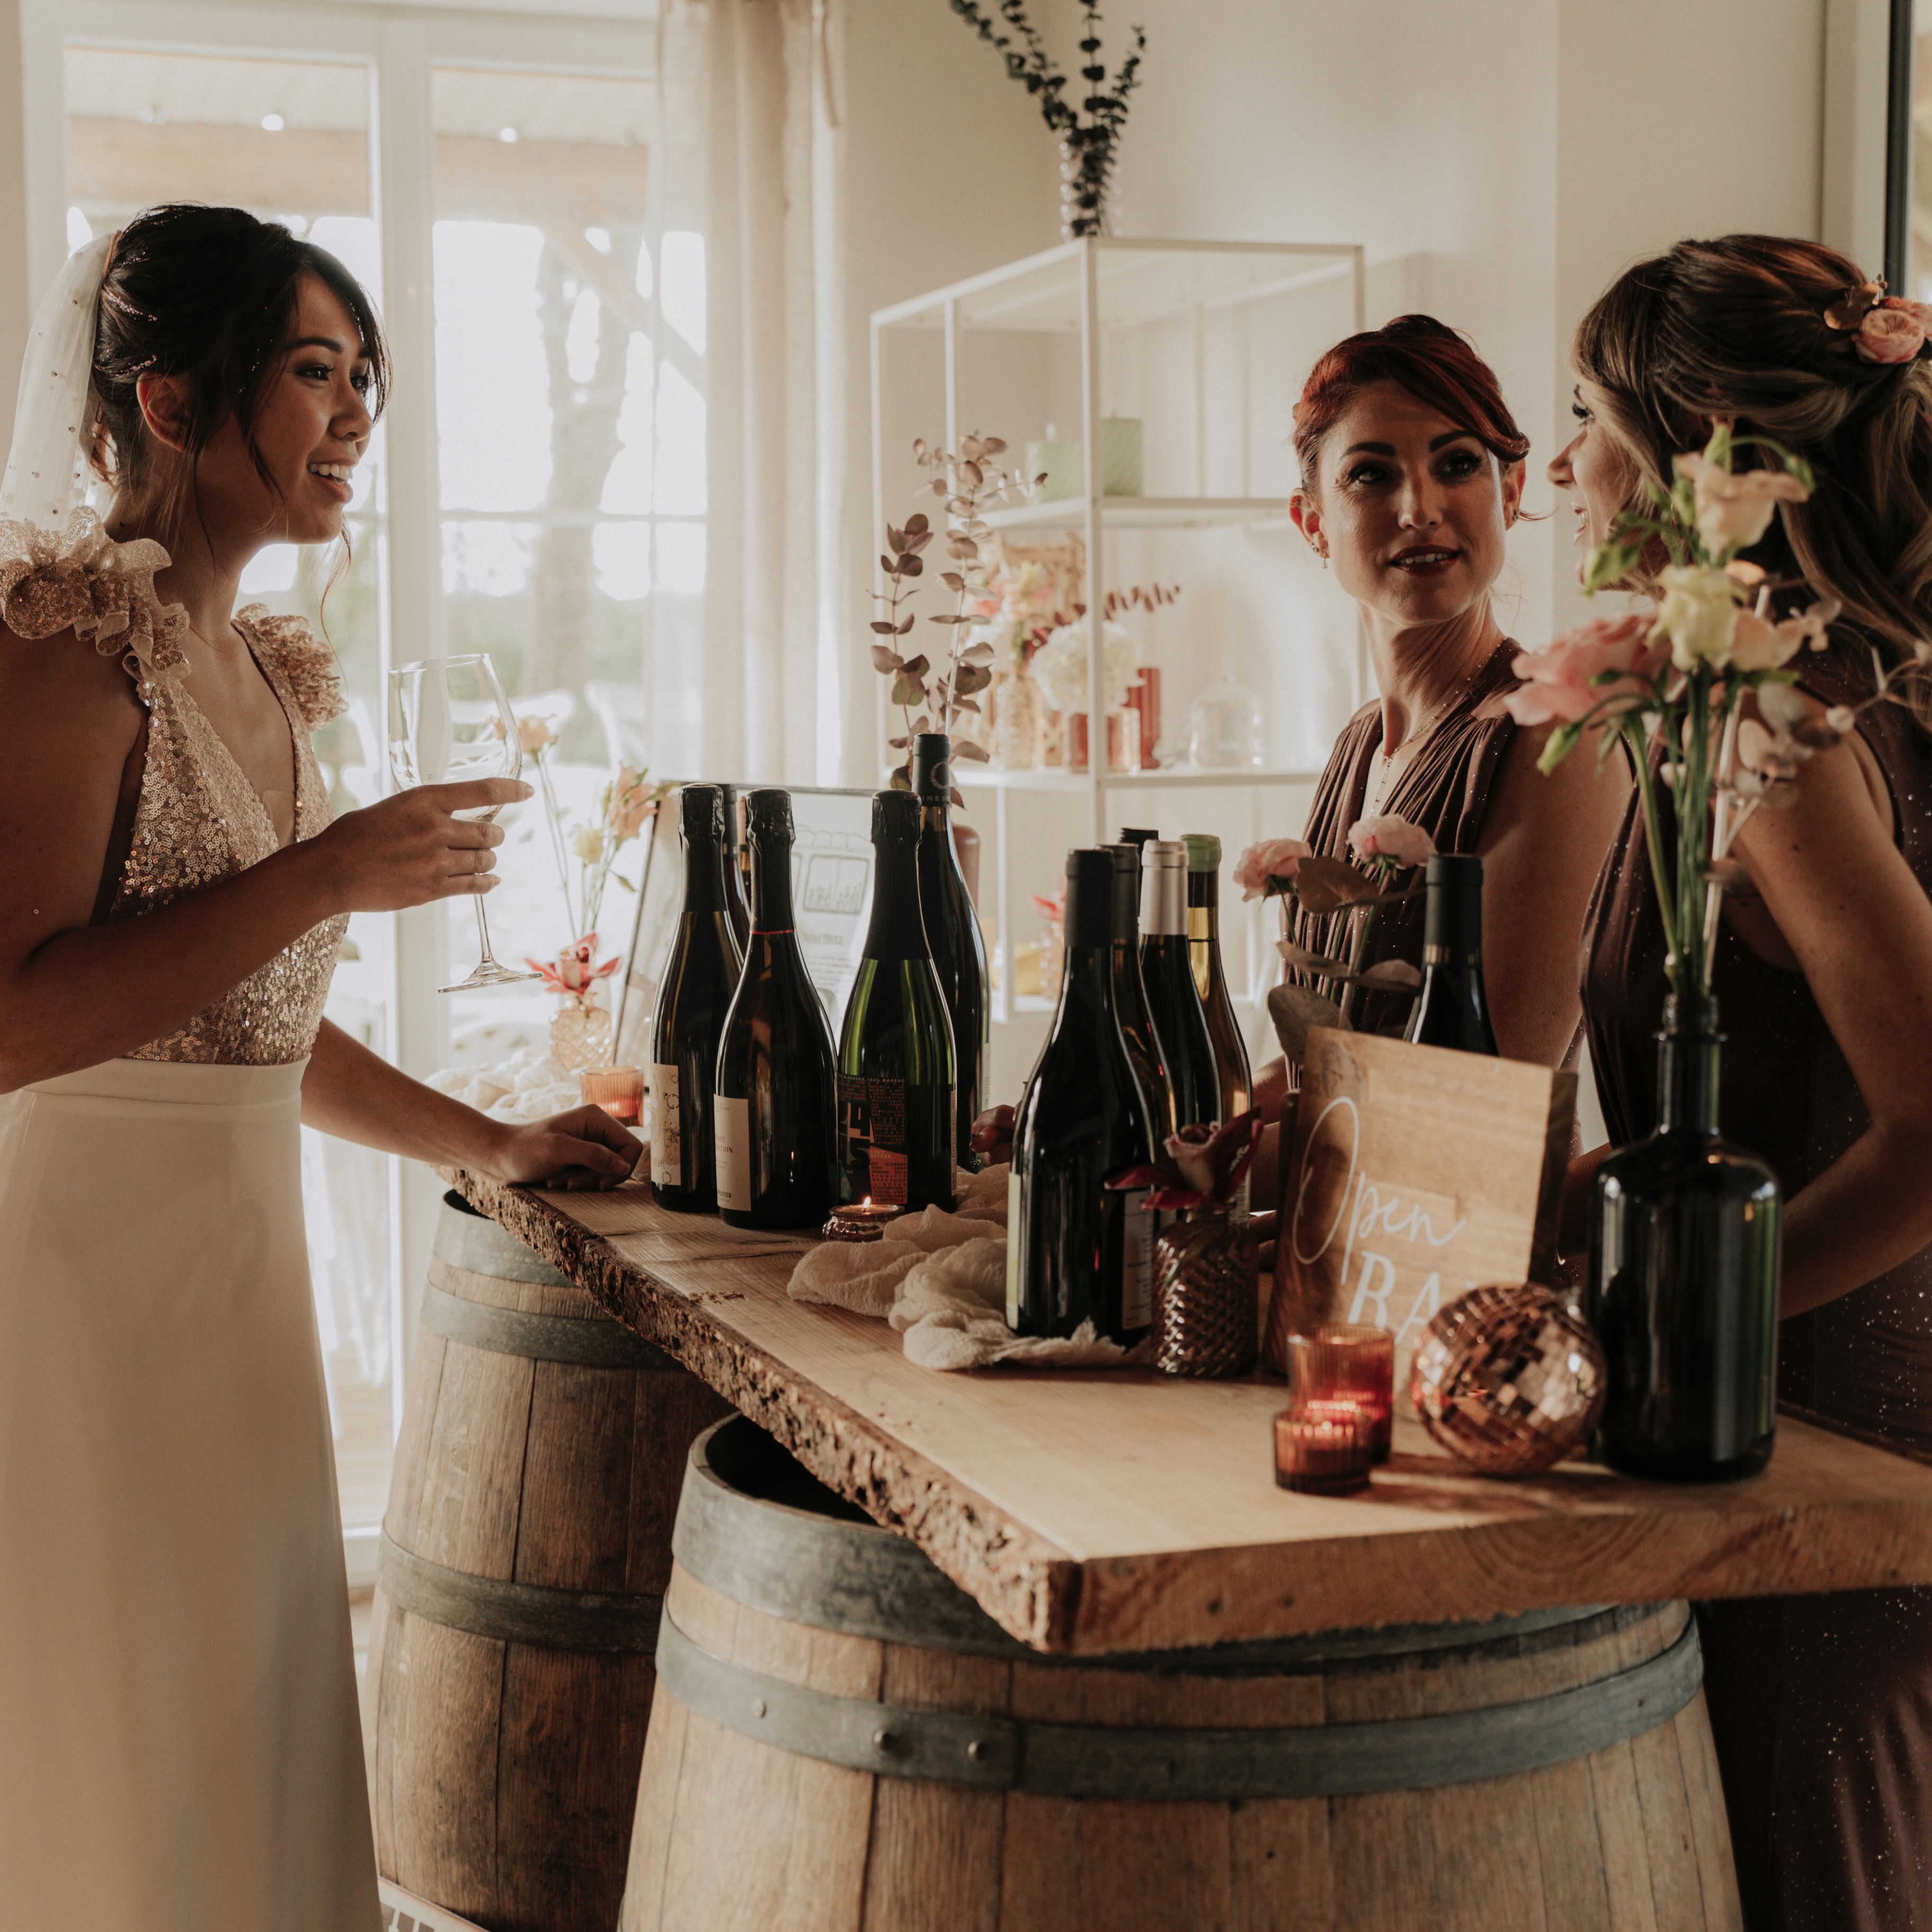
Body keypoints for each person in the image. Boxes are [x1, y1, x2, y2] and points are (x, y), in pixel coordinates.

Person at [0, 207, 639, 1927]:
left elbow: (248, 1027)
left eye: (367, 374)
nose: (357, 411)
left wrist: (492, 1135)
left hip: (231, 1284)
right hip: (76, 1296)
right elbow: (19, 1019)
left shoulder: (267, 669)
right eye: (311, 369)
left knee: (237, 1728)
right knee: (107, 1750)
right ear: (168, 395)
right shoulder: (59, 649)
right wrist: (330, 871)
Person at [1554, 234, 1932, 1931]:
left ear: (1701, 447)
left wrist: (1702, 1310)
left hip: (1813, 1412)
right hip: (1821, 1385)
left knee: (1807, 1853)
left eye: (1587, 421)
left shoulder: (1784, 729)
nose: (1565, 468)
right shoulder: (1849, 686)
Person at [973, 317, 1627, 1172]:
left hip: (1464, 1265)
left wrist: (1147, 1164)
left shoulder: (1555, 737)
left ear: (1509, 493)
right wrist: (1098, 1115)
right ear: (1313, 520)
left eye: (1457, 463)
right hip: (1331, 1241)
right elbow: (1329, 1062)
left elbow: (1483, 1094)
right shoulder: (1363, 744)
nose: (1419, 508)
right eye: (1371, 474)